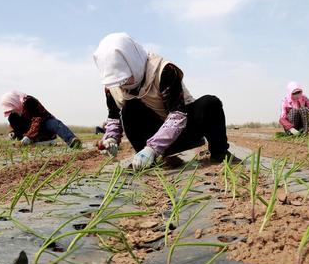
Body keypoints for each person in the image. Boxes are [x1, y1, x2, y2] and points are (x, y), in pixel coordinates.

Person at [93, 32, 237, 171]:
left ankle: (220, 153)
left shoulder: (164, 70)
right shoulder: (112, 85)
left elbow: (178, 116)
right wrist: (111, 139)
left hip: (184, 131)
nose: (123, 84)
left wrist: (152, 148)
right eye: (119, 80)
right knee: (130, 108)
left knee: (210, 103)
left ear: (133, 61)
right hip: (152, 136)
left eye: (125, 78)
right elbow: (113, 117)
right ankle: (149, 161)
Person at [0, 91, 81, 149]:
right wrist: (13, 132)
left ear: (14, 102)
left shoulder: (29, 101)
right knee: (12, 117)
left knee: (55, 124)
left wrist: (29, 136)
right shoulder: (14, 114)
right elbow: (16, 125)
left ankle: (72, 140)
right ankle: (23, 143)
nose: (12, 111)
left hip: (44, 124)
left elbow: (37, 120)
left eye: (11, 108)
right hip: (31, 131)